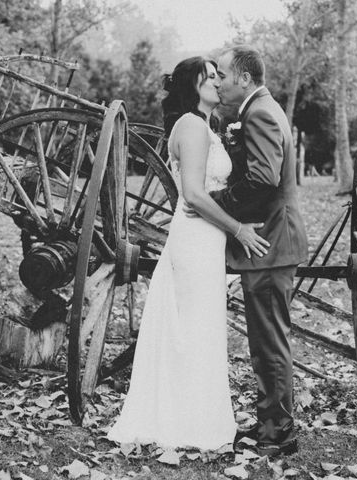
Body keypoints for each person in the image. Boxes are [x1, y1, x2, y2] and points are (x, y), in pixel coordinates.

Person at [106, 56, 270, 451]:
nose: (217, 81)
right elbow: (193, 194)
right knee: (195, 329)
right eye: (209, 77)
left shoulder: (204, 126)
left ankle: (195, 417)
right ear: (191, 87)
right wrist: (238, 230)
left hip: (203, 237)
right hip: (196, 237)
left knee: (199, 328)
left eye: (218, 76)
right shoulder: (193, 127)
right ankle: (189, 425)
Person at [211, 45, 309, 457]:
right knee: (266, 341)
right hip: (268, 245)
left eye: (221, 74)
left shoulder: (261, 113)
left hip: (269, 243)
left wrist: (217, 201)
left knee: (269, 344)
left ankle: (279, 432)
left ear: (244, 79)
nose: (217, 81)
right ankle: (271, 420)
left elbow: (264, 179)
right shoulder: (258, 110)